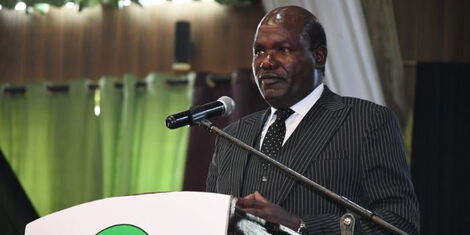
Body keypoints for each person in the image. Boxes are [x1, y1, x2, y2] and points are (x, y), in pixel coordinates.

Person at [206, 5, 419, 235]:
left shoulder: (366, 122)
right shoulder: (232, 136)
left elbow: (399, 224)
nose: (266, 62)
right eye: (258, 51)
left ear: (319, 56)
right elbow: (209, 222)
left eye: (283, 49)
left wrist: (300, 226)